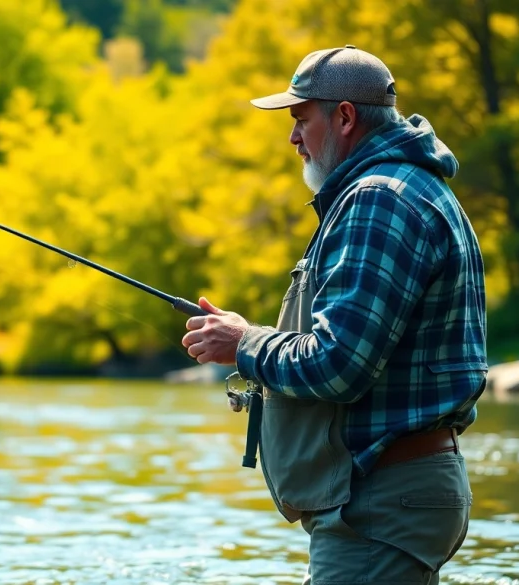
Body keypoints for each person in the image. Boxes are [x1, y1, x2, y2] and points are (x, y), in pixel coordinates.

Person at [181, 45, 488, 584]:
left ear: (344, 117)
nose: (293, 138)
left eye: (301, 120)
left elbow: (338, 363)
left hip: (384, 501)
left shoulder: (379, 199)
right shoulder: (410, 188)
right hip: (392, 498)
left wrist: (246, 343)